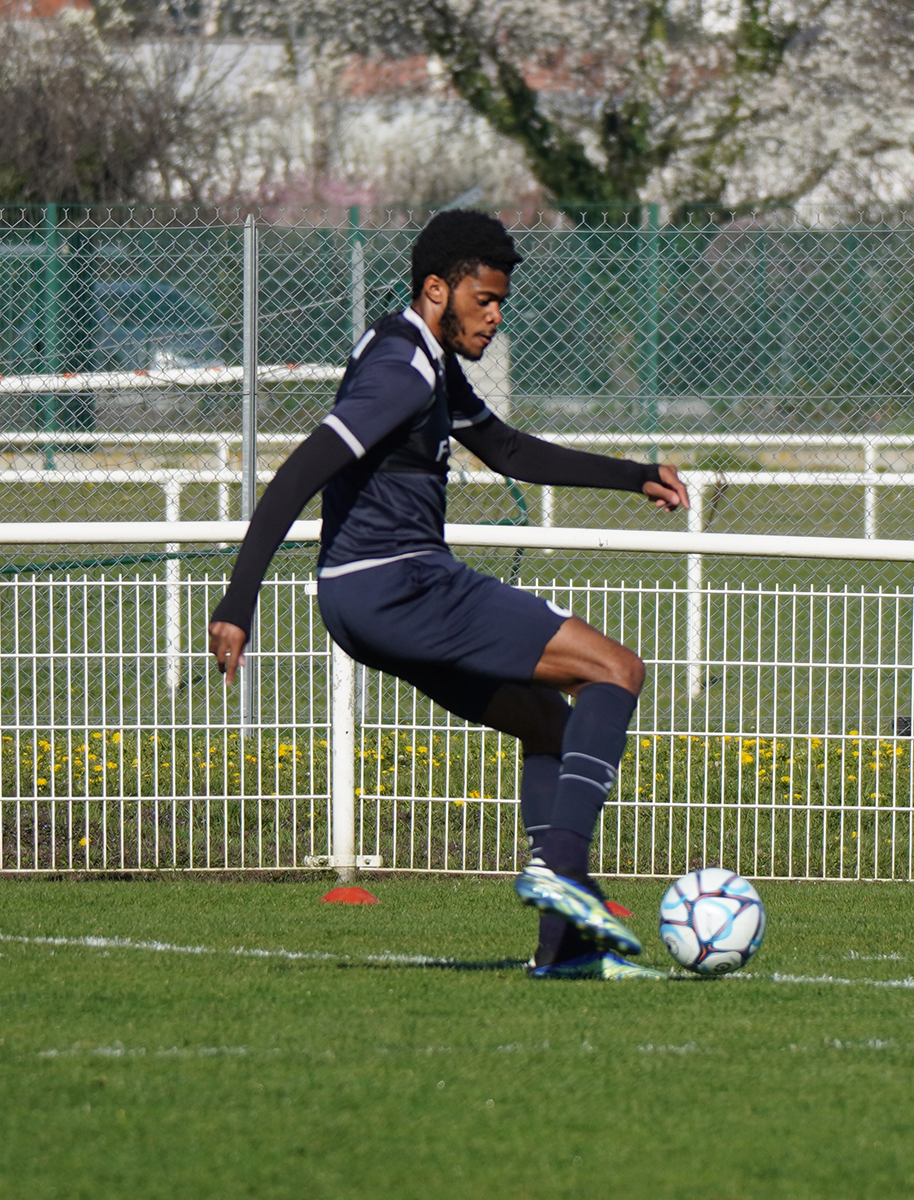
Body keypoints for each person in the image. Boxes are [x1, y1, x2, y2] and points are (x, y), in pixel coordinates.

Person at [206, 210, 690, 978]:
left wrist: (633, 476)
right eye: (483, 299)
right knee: (616, 669)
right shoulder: (404, 370)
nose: (495, 316)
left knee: (550, 726)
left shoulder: (420, 354)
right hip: (398, 584)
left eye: (500, 302)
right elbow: (300, 472)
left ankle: (563, 952)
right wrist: (238, 604)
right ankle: (563, 870)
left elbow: (507, 449)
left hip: (366, 601)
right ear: (437, 289)